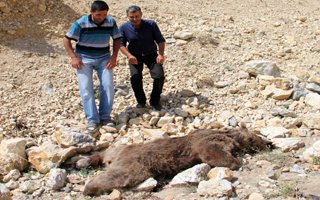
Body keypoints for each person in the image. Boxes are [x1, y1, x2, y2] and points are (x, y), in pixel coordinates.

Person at [63, 0, 122, 132]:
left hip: (104, 58)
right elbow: (66, 39)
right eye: (98, 15)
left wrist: (114, 57)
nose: (101, 18)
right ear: (91, 12)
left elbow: (117, 39)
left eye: (104, 15)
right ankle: (92, 120)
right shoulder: (81, 23)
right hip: (84, 59)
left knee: (108, 86)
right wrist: (73, 57)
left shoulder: (110, 21)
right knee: (86, 89)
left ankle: (105, 118)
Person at [119, 5, 166, 111]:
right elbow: (121, 45)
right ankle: (141, 101)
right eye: (132, 17)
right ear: (127, 16)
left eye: (137, 16)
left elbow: (160, 40)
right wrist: (129, 55)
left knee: (159, 76)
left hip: (151, 55)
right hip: (135, 56)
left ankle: (154, 101)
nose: (135, 19)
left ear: (141, 15)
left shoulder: (151, 24)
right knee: (135, 77)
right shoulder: (123, 28)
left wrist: (161, 54)